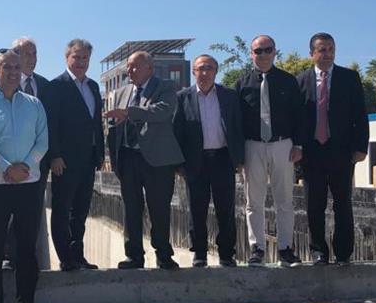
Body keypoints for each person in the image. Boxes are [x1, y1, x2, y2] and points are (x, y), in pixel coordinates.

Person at [0, 50, 49, 303]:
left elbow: (43, 141)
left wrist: (24, 167)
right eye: (6, 67)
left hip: (28, 185)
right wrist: (7, 167)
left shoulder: (34, 105)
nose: (13, 72)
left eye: (17, 67)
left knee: (27, 246)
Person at [104, 51, 184, 270]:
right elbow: (114, 125)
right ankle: (134, 255)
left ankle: (163, 255)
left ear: (149, 67)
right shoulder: (121, 92)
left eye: (135, 66)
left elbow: (162, 111)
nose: (130, 71)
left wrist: (129, 112)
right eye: (128, 67)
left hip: (157, 160)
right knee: (131, 208)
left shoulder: (165, 87)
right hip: (128, 157)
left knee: (159, 208)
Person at [296, 33, 369, 265]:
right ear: (312, 54)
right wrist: (297, 147)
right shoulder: (300, 80)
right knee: (314, 204)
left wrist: (361, 147)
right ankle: (319, 251)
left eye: (330, 49)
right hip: (312, 152)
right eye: (322, 50)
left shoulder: (349, 78)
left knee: (343, 203)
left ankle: (343, 253)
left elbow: (360, 115)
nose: (327, 54)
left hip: (341, 150)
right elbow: (295, 119)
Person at [234, 35, 304, 266]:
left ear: (275, 52)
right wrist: (239, 155)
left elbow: (299, 114)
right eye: (258, 51)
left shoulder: (288, 81)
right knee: (253, 202)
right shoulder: (242, 83)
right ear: (251, 54)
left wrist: (298, 145)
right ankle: (257, 248)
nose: (263, 54)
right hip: (252, 146)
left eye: (267, 50)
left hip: (282, 145)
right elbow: (235, 122)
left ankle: (285, 248)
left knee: (285, 201)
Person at [174, 55, 245, 267]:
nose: (204, 73)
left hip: (223, 158)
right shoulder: (182, 97)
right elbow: (177, 131)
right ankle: (200, 253)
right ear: (193, 72)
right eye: (200, 68)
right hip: (195, 160)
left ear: (216, 71)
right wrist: (178, 164)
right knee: (197, 210)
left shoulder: (229, 96)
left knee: (226, 208)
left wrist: (239, 158)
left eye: (209, 68)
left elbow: (237, 127)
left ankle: (226, 253)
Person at [50, 38, 104, 271]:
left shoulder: (93, 87)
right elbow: (51, 124)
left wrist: (100, 153)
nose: (81, 62)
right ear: (67, 57)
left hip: (88, 159)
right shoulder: (56, 86)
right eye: (76, 57)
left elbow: (96, 123)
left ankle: (78, 255)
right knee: (62, 210)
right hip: (65, 160)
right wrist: (55, 155)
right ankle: (65, 257)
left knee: (80, 211)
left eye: (85, 58)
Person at [10, 36, 54, 271]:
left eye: (34, 53)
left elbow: (53, 124)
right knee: (11, 213)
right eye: (27, 53)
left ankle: (29, 259)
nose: (32, 58)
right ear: (16, 56)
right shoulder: (3, 84)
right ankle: (11, 257)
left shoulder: (46, 85)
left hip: (39, 163)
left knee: (33, 213)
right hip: (11, 163)